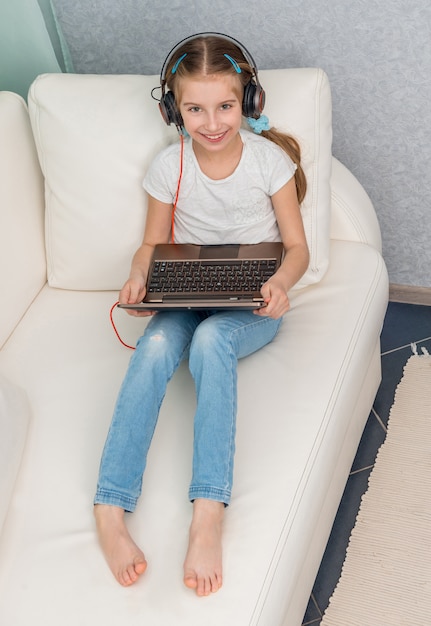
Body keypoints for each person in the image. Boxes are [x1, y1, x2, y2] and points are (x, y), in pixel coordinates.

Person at [94, 32, 309, 597]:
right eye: (194, 109)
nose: (212, 123)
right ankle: (110, 507)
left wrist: (281, 284)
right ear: (173, 109)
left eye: (226, 106)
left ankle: (208, 510)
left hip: (254, 300)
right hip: (188, 288)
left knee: (213, 341)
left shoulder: (270, 164)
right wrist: (140, 277)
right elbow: (150, 244)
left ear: (249, 103)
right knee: (160, 345)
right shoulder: (170, 167)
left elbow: (298, 249)